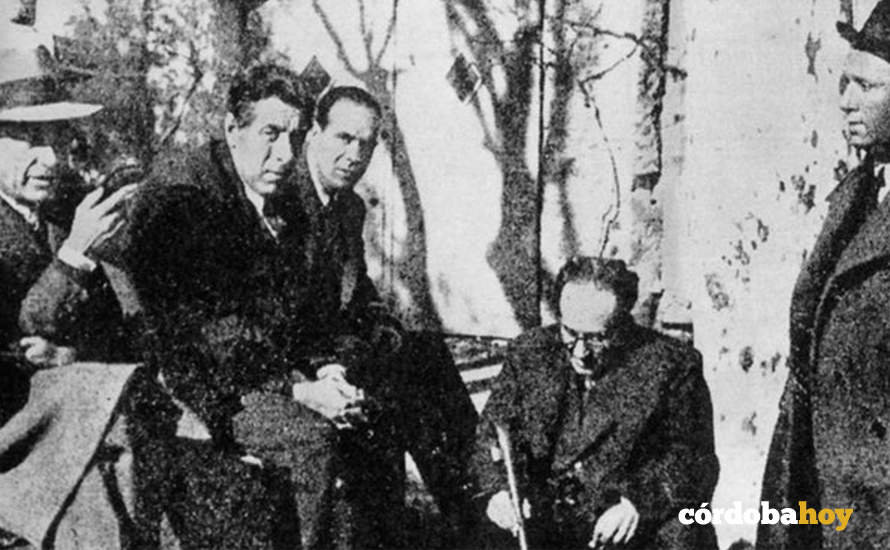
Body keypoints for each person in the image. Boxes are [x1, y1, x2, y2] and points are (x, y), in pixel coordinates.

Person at [128, 64, 396, 549]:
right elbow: (212, 335)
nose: (285, 154)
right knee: (312, 439)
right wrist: (300, 390)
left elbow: (291, 314)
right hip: (187, 384)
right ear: (233, 128)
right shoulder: (187, 198)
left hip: (247, 372)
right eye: (270, 134)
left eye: (293, 137)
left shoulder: (266, 195)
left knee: (367, 416)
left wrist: (324, 371)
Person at [0, 26, 173, 549]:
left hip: (67, 416)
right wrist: (75, 255)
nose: (50, 159)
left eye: (59, 138)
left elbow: (122, 333)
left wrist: (69, 353)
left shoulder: (68, 213)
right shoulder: (74, 230)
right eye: (30, 139)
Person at [293, 85, 479, 545]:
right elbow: (281, 312)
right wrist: (324, 363)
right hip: (299, 357)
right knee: (391, 391)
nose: (354, 154)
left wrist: (385, 327)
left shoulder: (348, 205)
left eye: (367, 144)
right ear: (314, 132)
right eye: (342, 138)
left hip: (337, 347)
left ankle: (482, 508)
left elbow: (357, 293)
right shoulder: (282, 199)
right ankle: (424, 526)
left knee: (424, 354)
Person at [471, 257, 719, 549]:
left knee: (682, 526)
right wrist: (499, 491)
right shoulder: (529, 353)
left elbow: (694, 458)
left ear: (623, 321)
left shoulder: (670, 364)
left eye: (596, 339)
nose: (580, 352)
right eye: (570, 333)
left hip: (621, 524)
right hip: (547, 519)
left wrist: (637, 503)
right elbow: (492, 434)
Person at [759, 2, 890, 548]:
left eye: (867, 85)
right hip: (816, 469)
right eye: (844, 82)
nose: (846, 100)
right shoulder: (857, 194)